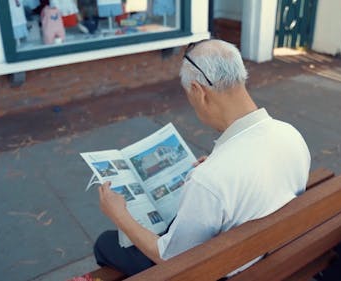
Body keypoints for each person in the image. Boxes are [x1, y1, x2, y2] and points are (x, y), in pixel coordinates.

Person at [94, 39, 311, 277]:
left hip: (222, 270)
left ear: (198, 91)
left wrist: (119, 215)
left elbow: (171, 259)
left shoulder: (208, 179)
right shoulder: (291, 134)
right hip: (271, 257)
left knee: (105, 243)